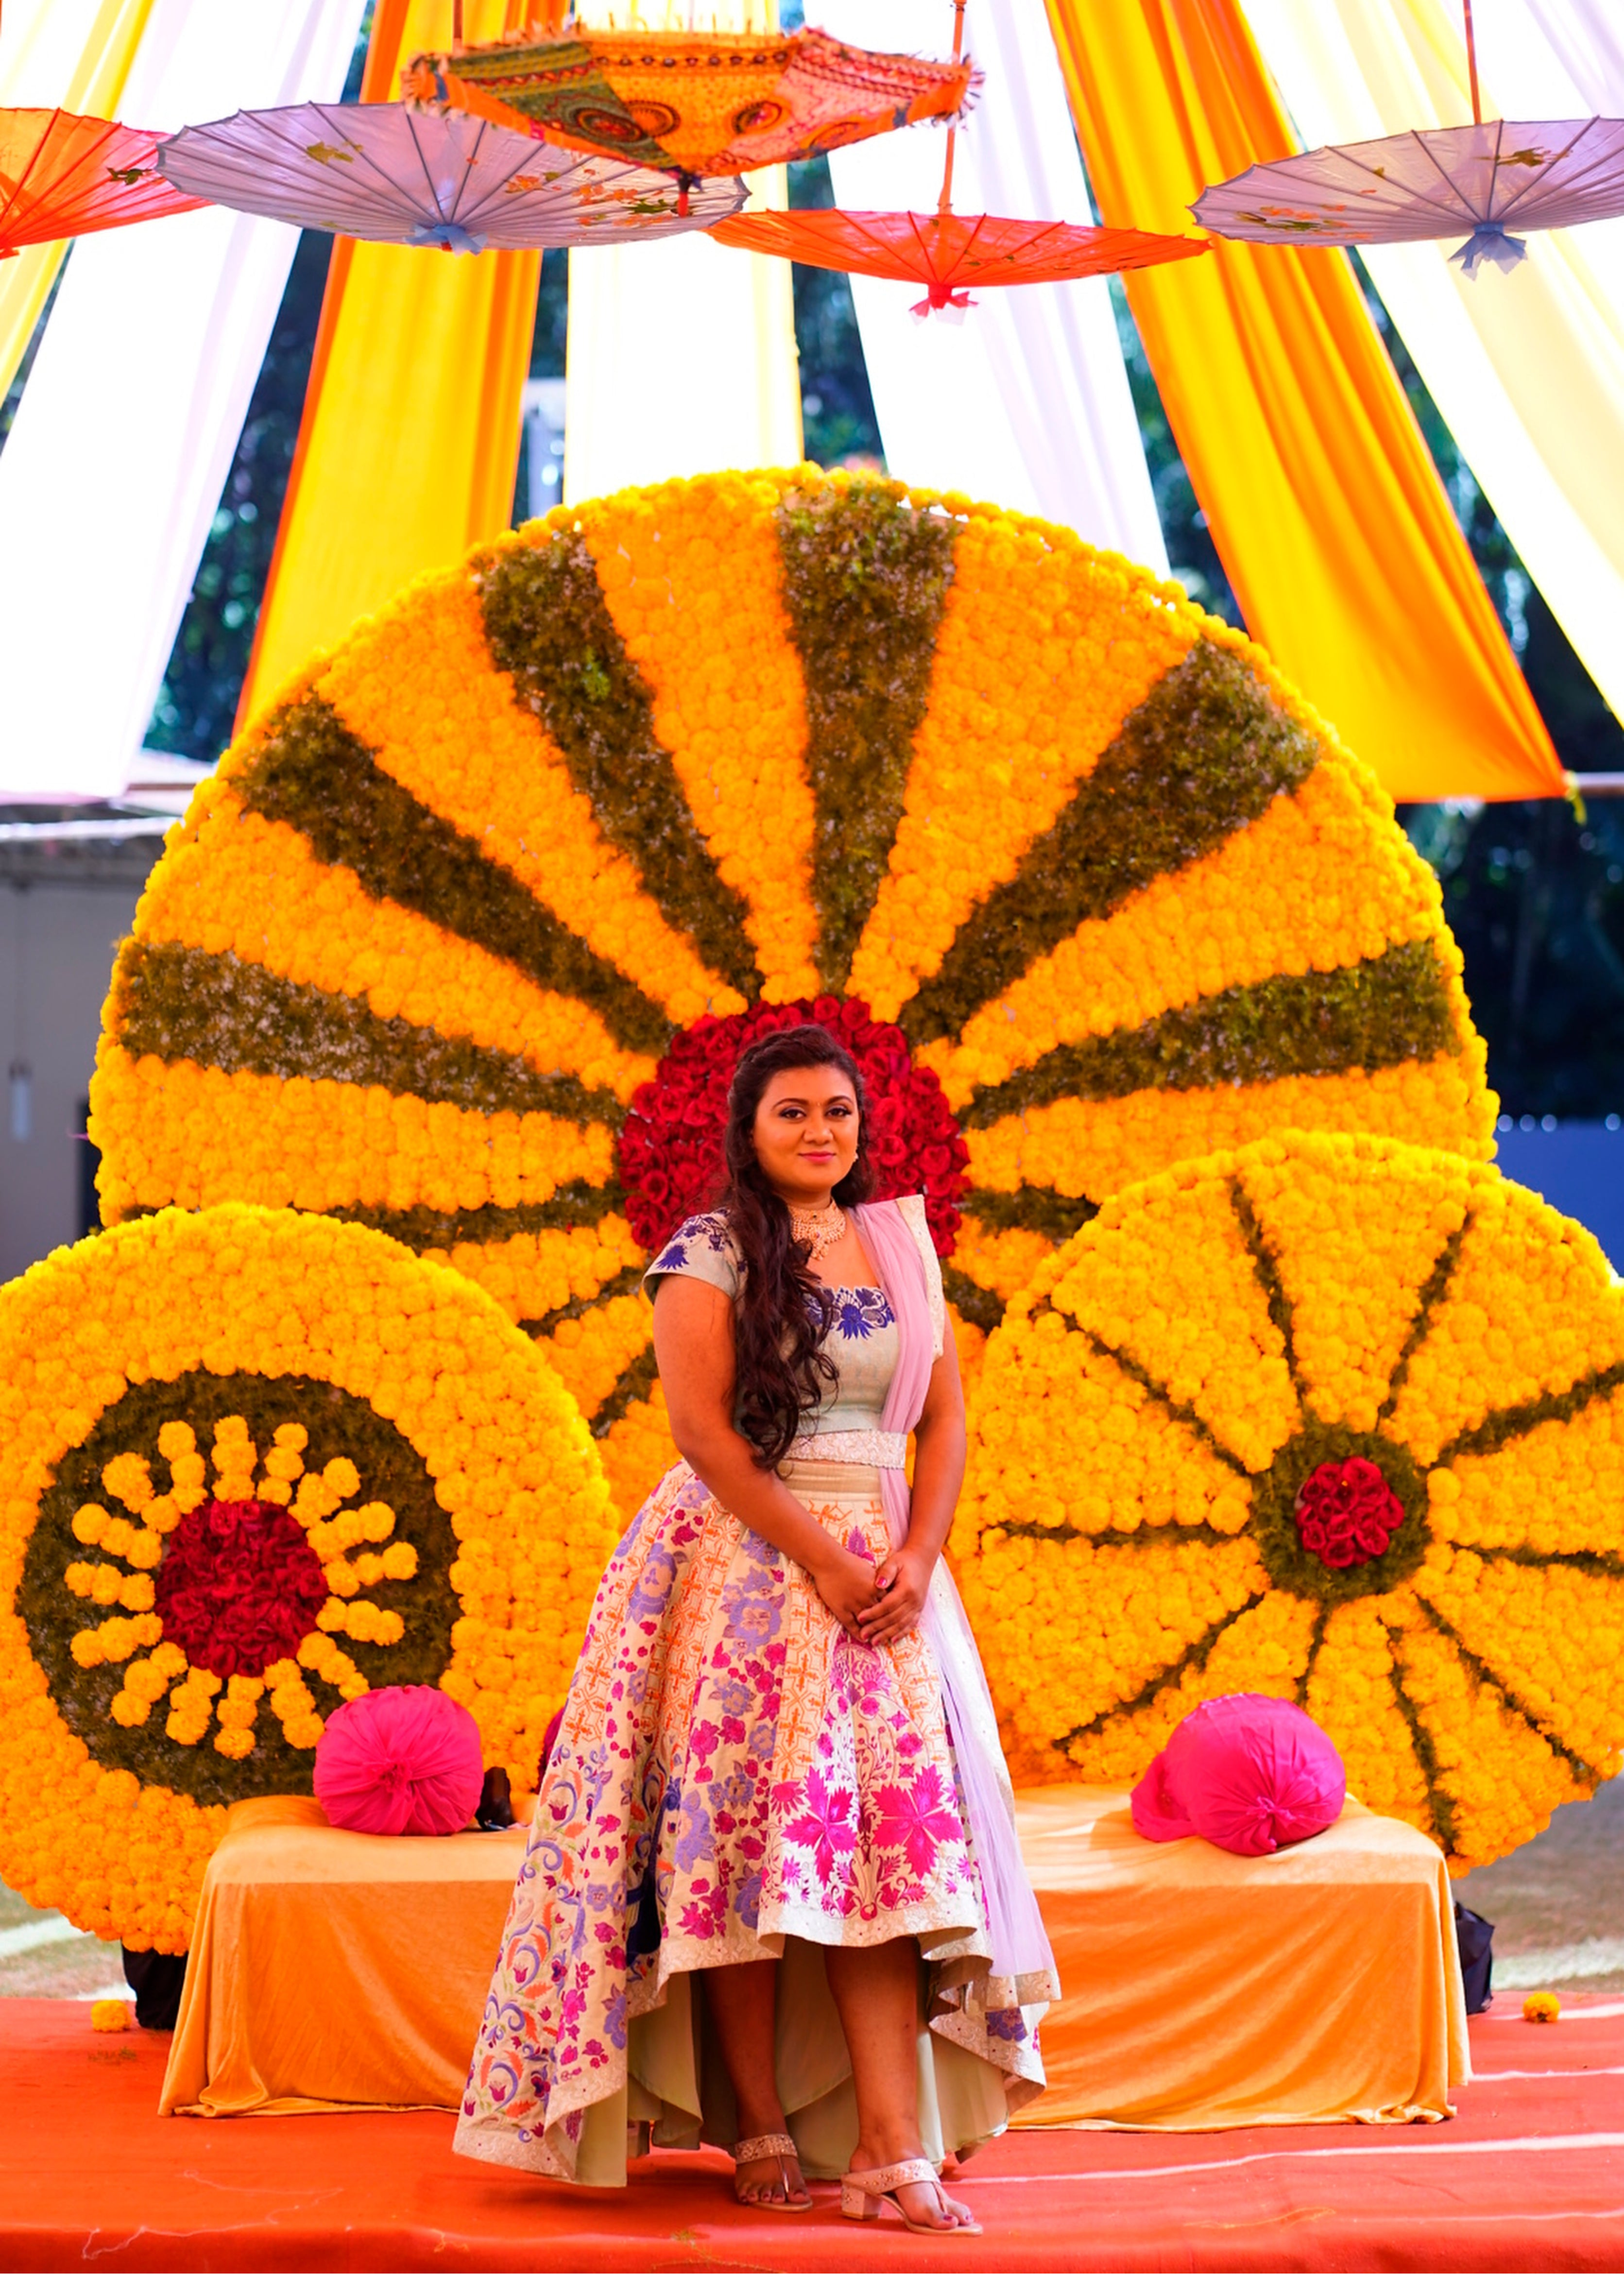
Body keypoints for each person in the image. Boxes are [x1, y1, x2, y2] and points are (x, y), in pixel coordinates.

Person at [456, 1024, 1058, 2234]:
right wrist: (823, 1559)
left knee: (889, 1856)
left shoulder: (902, 1245)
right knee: (732, 1844)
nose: (819, 1131)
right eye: (793, 1112)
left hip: (887, 1575)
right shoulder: (712, 1251)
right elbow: (705, 1437)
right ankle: (760, 2119)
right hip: (742, 1568)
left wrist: (916, 1558)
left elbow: (945, 1422)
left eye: (838, 1111)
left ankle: (891, 2147)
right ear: (749, 1129)